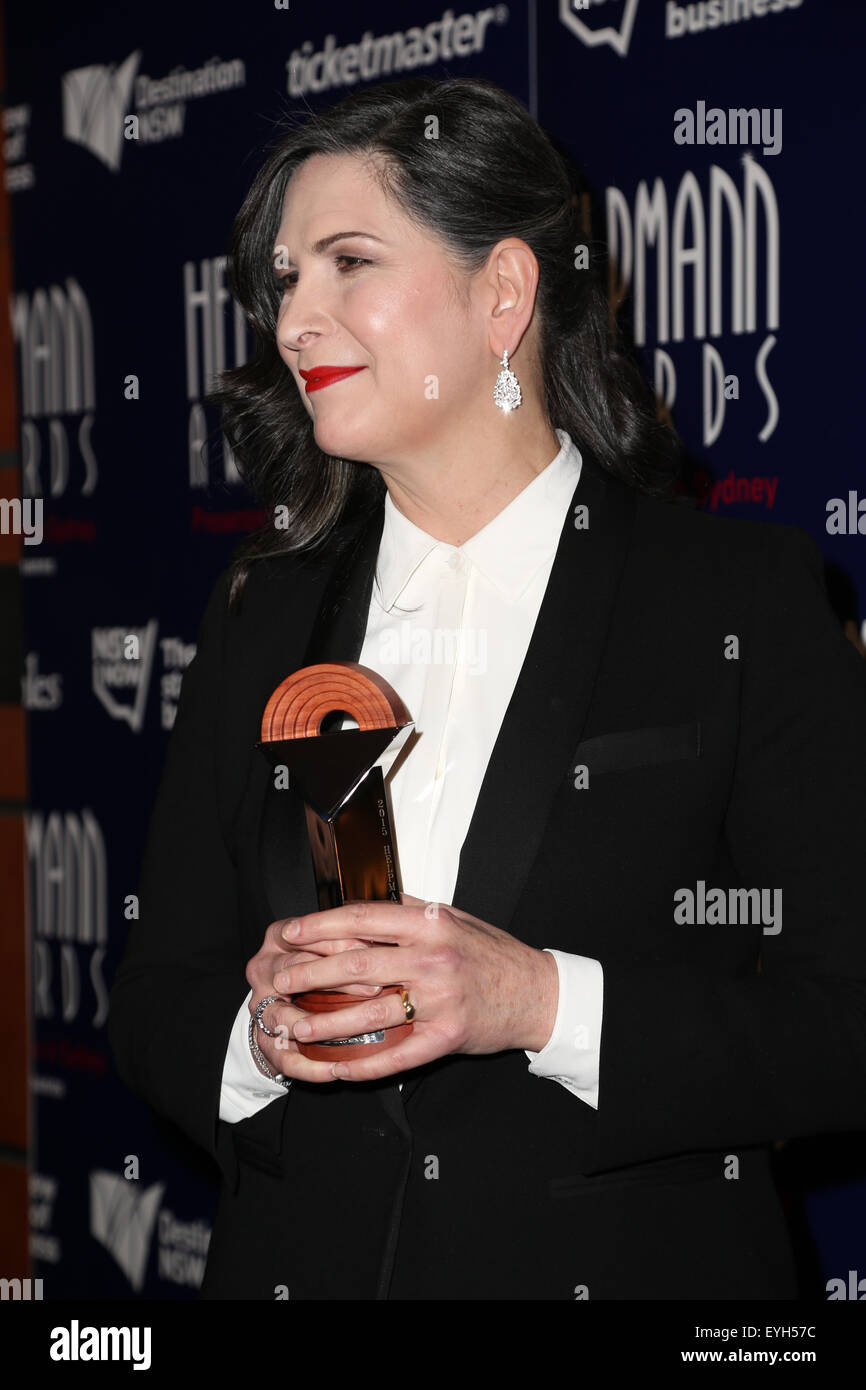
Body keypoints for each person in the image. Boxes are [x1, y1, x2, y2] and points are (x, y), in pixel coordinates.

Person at [109, 76, 866, 1301]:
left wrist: (537, 1001)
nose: (297, 319)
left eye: (348, 262)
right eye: (285, 280)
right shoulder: (262, 610)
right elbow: (155, 993)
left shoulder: (736, 594)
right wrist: (256, 1041)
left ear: (503, 290)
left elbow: (844, 1024)